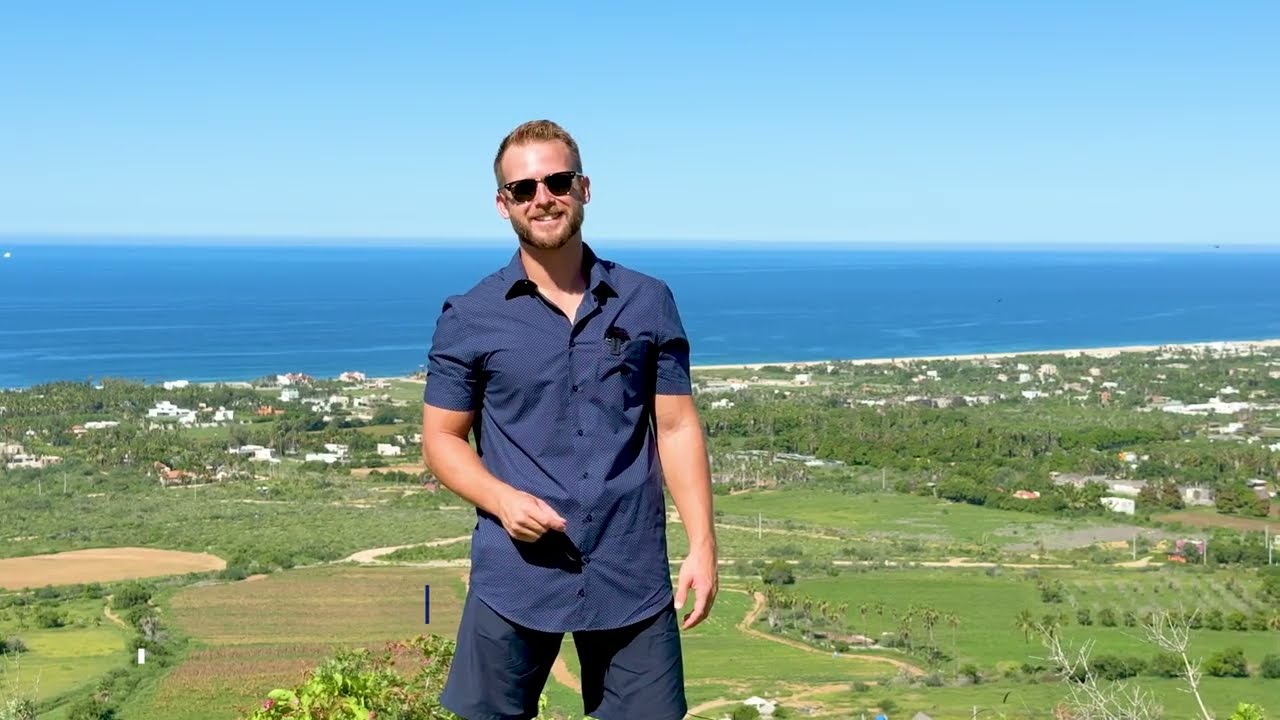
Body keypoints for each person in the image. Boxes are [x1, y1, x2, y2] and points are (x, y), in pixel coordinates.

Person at [421, 119, 718, 720]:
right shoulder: (470, 316)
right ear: (502, 204)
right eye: (524, 188)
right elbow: (442, 439)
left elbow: (678, 426)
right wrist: (502, 500)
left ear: (584, 188)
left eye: (556, 181)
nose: (542, 198)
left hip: (629, 567)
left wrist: (703, 543)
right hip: (517, 573)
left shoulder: (648, 300)